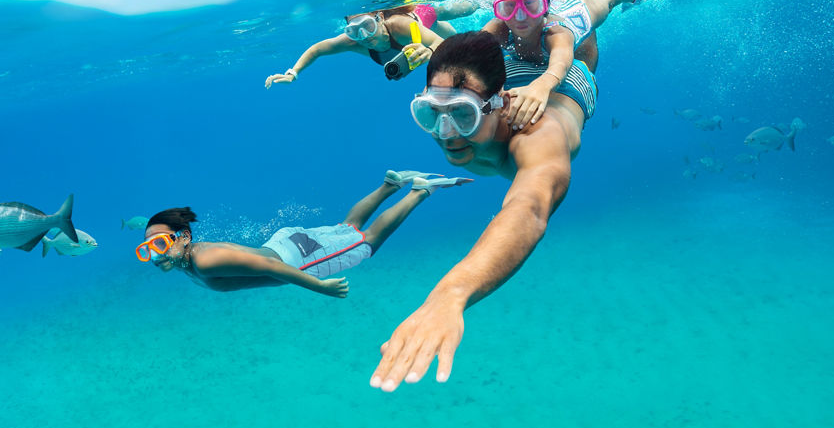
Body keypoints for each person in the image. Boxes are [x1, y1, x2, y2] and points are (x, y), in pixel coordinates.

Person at [368, 30, 594, 392]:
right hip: (500, 79)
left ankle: (592, 8)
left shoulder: (538, 135)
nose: (446, 133)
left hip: (568, 89)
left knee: (577, 48)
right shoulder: (467, 95)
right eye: (430, 114)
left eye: (462, 114)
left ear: (499, 103)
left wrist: (452, 292)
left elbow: (529, 208)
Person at [137, 171, 472, 295]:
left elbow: (272, 269)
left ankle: (420, 191)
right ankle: (389, 185)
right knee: (348, 229)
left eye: (161, 243)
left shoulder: (206, 261)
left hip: (298, 258)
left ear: (183, 238)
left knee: (367, 243)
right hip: (284, 244)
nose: (155, 254)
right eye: (147, 249)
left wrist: (319, 287)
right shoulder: (190, 259)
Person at [481, 0, 649, 129]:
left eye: (531, 3)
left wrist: (542, 86)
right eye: (508, 5)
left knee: (607, 1)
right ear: (497, 9)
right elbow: (473, 56)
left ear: (546, 4)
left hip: (575, 15)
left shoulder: (557, 32)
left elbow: (560, 63)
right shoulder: (498, 27)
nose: (520, 16)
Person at [264, 0, 480, 87]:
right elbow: (317, 49)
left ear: (379, 18)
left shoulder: (398, 25)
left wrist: (430, 49)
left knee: (446, 13)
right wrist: (294, 72)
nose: (363, 35)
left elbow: (438, 42)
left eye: (367, 26)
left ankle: (478, 2)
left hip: (422, 16)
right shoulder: (353, 42)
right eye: (354, 30)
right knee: (453, 38)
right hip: (421, 36)